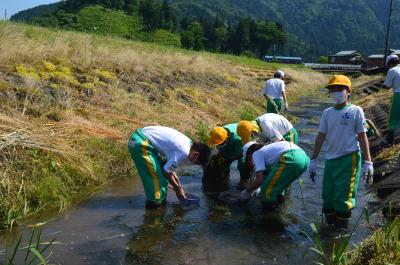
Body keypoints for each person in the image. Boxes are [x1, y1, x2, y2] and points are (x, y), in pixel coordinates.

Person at [308, 75, 374, 229]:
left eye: (340, 89)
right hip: (330, 160)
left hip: (348, 159)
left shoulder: (356, 111)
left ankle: (340, 234)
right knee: (328, 196)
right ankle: (330, 231)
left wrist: (368, 161)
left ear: (348, 92)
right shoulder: (327, 113)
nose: (336, 92)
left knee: (343, 198)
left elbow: (362, 136)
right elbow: (320, 136)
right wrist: (313, 159)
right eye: (333, 90)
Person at [128, 126, 211, 208]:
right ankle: (153, 211)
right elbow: (166, 171)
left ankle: (158, 206)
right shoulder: (184, 151)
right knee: (156, 185)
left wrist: (178, 186)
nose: (191, 164)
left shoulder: (189, 144)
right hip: (141, 143)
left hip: (146, 141)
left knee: (162, 179)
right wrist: (178, 190)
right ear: (195, 155)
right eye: (195, 163)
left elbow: (166, 166)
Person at [240, 141, 309, 210]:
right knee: (277, 189)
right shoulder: (267, 151)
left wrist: (247, 191)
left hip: (291, 157)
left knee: (266, 191)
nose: (249, 163)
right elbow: (268, 178)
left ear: (249, 154)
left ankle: (268, 218)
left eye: (247, 160)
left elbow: (259, 180)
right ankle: (279, 211)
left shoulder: (256, 154)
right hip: (304, 159)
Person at [207, 124, 251, 188]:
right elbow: (221, 151)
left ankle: (244, 181)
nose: (218, 146)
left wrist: (229, 159)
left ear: (226, 138)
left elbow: (240, 154)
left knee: (242, 164)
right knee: (222, 161)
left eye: (220, 144)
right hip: (229, 142)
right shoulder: (219, 132)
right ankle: (224, 180)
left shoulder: (237, 138)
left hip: (242, 146)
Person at [383, 54, 400, 146]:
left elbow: (387, 86)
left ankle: (389, 141)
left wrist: (383, 84)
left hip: (398, 95)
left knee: (392, 118)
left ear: (389, 63)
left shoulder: (392, 70)